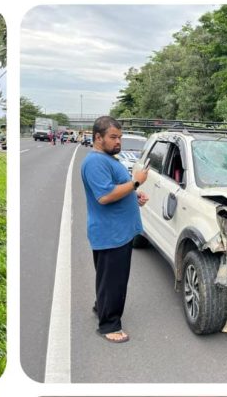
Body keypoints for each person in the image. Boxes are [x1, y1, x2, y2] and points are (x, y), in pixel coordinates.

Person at [80, 116, 149, 343]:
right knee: (114, 280)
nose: (118, 141)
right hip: (112, 234)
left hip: (115, 231)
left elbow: (116, 189)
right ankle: (109, 325)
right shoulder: (95, 162)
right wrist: (136, 182)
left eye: (119, 137)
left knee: (107, 277)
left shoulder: (108, 159)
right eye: (113, 137)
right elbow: (105, 196)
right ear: (98, 137)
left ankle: (102, 306)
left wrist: (133, 195)